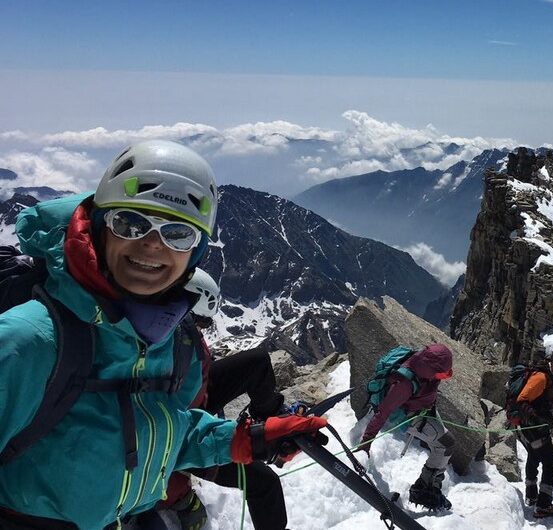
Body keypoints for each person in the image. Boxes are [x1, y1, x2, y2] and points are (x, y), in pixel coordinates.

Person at [0, 140, 326, 530]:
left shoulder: (167, 343)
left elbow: (160, 429)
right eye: (130, 223)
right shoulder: (28, 343)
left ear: (197, 252)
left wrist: (244, 440)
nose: (153, 244)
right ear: (102, 228)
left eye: (178, 234)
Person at [155, 268, 289, 530]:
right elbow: (159, 441)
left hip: (193, 406)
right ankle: (273, 439)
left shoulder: (169, 338)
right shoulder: (176, 346)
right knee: (265, 484)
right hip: (186, 439)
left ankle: (274, 422)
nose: (205, 328)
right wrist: (181, 494)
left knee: (257, 361)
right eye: (203, 322)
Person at [358, 344, 456, 511]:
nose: (442, 377)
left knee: (446, 444)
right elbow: (383, 412)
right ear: (431, 367)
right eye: (441, 373)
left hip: (423, 409)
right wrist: (365, 443)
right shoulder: (404, 383)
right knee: (445, 445)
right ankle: (424, 491)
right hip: (408, 417)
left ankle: (429, 487)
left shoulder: (422, 363)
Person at [514, 347, 553, 519]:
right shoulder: (541, 378)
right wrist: (537, 420)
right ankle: (543, 505)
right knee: (551, 462)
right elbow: (521, 400)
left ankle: (531, 495)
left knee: (534, 455)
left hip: (531, 428)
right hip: (533, 429)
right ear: (550, 361)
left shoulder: (550, 379)